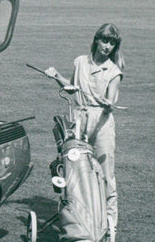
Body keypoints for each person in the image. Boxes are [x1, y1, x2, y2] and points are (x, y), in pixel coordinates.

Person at [45, 24, 124, 229]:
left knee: (106, 173)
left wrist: (108, 103)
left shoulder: (114, 71)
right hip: (78, 118)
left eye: (112, 43)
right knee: (75, 168)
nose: (107, 46)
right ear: (96, 40)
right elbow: (72, 88)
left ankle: (109, 223)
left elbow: (112, 98)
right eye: (105, 40)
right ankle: (77, 216)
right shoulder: (80, 62)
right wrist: (55, 76)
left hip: (101, 122)